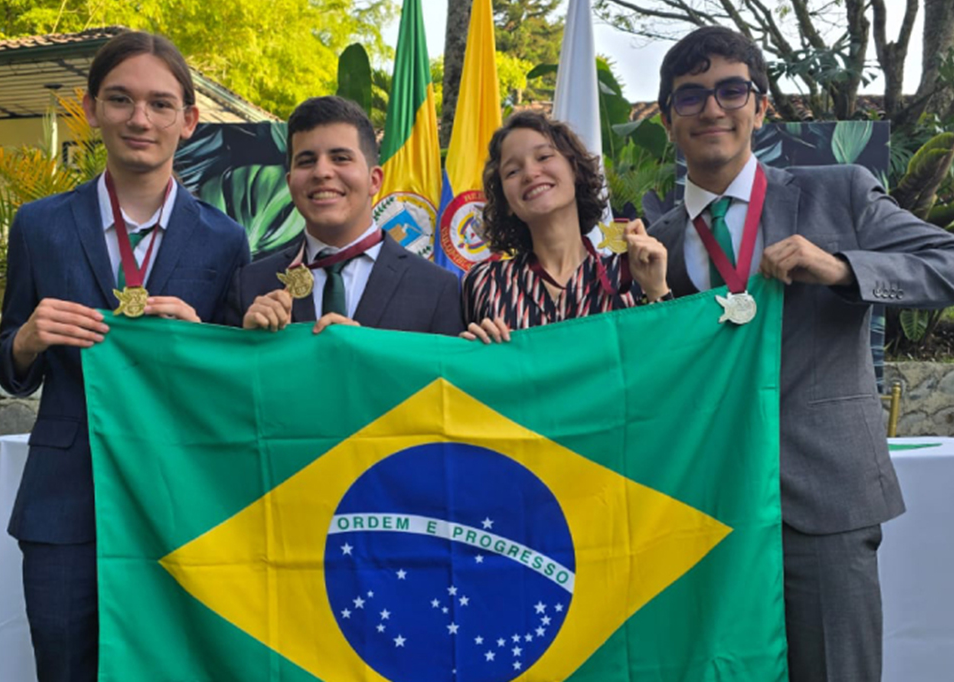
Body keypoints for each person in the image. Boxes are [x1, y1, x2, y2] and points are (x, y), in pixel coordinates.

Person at [647, 25, 954, 682]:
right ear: (669, 118)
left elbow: (947, 263)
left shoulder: (837, 192)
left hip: (822, 502)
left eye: (733, 89)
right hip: (704, 511)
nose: (712, 108)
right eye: (691, 95)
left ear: (761, 107)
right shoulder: (655, 242)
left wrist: (844, 267)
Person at [0, 31, 250, 681]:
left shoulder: (224, 240)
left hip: (178, 503)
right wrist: (26, 341)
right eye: (121, 99)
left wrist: (198, 337)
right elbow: (10, 371)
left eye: (161, 104)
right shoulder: (39, 225)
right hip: (62, 504)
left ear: (188, 121)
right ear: (91, 109)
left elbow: (233, 383)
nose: (141, 118)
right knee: (66, 668)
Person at [225, 96, 462, 335]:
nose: (321, 172)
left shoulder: (437, 288)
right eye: (306, 161)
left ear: (374, 180)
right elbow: (228, 369)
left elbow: (448, 372)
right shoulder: (250, 285)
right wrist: (250, 346)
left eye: (340, 158)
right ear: (290, 183)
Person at [461, 111, 671, 342]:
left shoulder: (631, 274)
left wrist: (657, 290)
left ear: (575, 170)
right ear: (506, 201)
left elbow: (670, 360)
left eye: (543, 157)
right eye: (512, 171)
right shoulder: (484, 283)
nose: (530, 174)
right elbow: (457, 373)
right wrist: (472, 351)